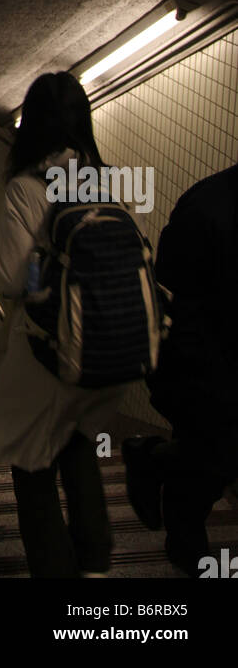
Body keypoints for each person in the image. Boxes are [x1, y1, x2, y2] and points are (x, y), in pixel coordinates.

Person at [0, 72, 129, 578]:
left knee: (31, 464)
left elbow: (13, 279)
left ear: (31, 125)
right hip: (103, 349)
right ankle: (96, 562)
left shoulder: (25, 187)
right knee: (78, 447)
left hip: (43, 350)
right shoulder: (109, 181)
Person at [122, 161, 238, 576]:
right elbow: (171, 290)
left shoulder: (208, 202)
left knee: (211, 459)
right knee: (209, 464)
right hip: (203, 368)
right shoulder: (206, 205)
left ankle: (153, 460)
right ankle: (186, 549)